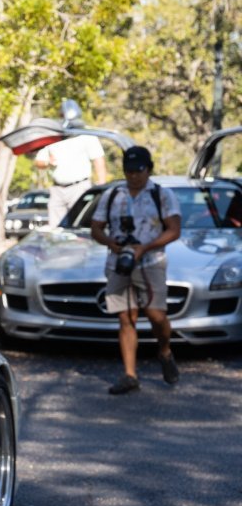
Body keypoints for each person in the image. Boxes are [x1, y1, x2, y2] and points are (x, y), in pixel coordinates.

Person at [90, 145, 182, 394]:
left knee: (156, 315)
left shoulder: (162, 195)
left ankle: (165, 351)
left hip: (150, 262)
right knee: (126, 317)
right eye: (128, 170)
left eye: (138, 170)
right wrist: (111, 243)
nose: (133, 175)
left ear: (148, 169)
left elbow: (174, 229)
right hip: (118, 263)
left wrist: (145, 247)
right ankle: (130, 375)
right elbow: (95, 227)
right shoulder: (112, 194)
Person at [39, 133, 106, 227]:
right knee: (55, 227)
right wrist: (47, 162)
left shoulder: (86, 135)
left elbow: (98, 158)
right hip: (57, 189)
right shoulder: (52, 135)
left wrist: (102, 184)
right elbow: (39, 161)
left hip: (80, 187)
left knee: (79, 224)